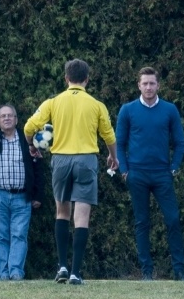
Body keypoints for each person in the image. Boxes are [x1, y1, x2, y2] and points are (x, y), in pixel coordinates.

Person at [23, 58, 118, 285]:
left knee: (62, 213)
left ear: (66, 78)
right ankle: (76, 272)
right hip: (86, 160)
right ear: (87, 79)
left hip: (61, 160)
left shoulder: (53, 102)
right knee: (82, 217)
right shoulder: (96, 104)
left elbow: (29, 127)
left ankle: (62, 267)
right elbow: (109, 136)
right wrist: (113, 156)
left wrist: (31, 145)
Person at [116, 67, 184, 282]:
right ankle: (146, 272)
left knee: (173, 220)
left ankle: (179, 271)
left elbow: (179, 142)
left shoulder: (170, 110)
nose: (148, 87)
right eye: (145, 83)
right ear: (138, 85)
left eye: (152, 83)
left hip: (162, 174)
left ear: (158, 85)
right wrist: (124, 171)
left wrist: (174, 166)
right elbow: (119, 144)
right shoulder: (127, 110)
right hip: (137, 174)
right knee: (142, 223)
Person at [0, 104, 45, 281]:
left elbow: (39, 169)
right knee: (0, 237)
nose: (6, 118)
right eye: (3, 116)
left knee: (19, 235)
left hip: (23, 197)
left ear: (16, 119)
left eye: (10, 115)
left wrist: (37, 196)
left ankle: (15, 272)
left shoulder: (28, 142)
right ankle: (3, 274)